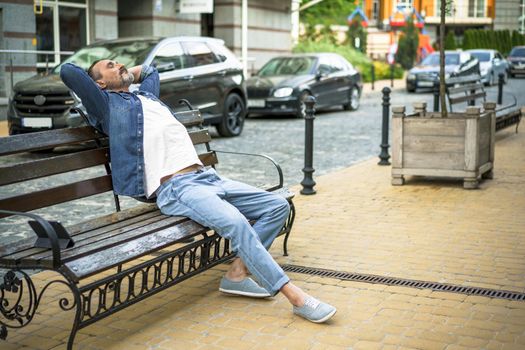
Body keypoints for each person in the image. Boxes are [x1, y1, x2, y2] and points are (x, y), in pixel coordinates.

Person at [60, 60, 336, 323]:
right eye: (110, 66)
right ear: (98, 84)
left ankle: (237, 275)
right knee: (237, 223)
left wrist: (124, 74)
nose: (118, 65)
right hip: (177, 186)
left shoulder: (148, 98)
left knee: (277, 206)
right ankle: (296, 298)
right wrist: (117, 78)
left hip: (207, 177)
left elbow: (151, 70)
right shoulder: (107, 106)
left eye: (118, 62)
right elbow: (69, 71)